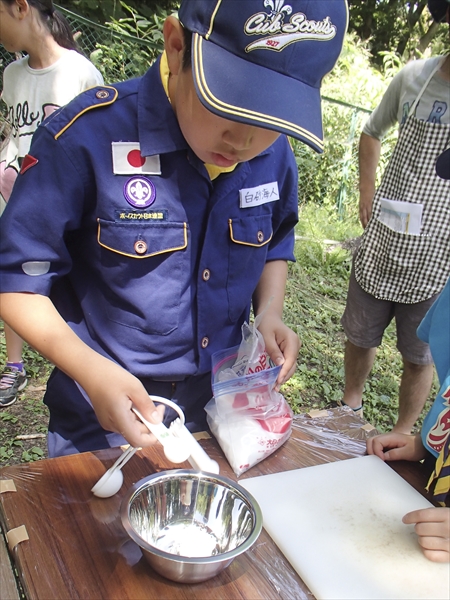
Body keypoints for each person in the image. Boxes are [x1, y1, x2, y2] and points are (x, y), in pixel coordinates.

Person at [0, 0, 348, 456]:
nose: (244, 142)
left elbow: (275, 239)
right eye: (232, 106)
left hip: (220, 410)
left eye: (268, 120)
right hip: (101, 416)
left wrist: (270, 312)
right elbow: (16, 282)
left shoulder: (272, 154)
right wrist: (90, 370)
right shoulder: (84, 140)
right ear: (177, 45)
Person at [339, 0, 450, 433]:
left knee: (417, 353)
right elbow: (370, 132)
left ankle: (403, 432)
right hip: (385, 239)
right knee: (360, 334)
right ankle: (349, 410)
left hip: (437, 257)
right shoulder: (413, 78)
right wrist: (366, 193)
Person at [0, 0, 104, 408]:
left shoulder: (80, 73)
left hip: (61, 200)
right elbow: (9, 134)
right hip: (12, 193)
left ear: (21, 8)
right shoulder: (11, 75)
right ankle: (14, 365)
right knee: (11, 275)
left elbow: (98, 138)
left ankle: (83, 359)